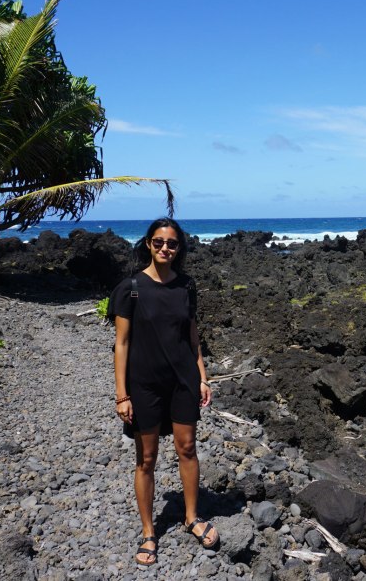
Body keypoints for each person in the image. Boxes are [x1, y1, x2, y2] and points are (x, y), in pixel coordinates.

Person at [109, 218, 219, 566]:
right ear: (147, 244)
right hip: (144, 385)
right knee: (146, 459)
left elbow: (192, 337)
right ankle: (148, 532)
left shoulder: (186, 286)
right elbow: (121, 344)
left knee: (187, 448)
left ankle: (191, 517)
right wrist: (121, 394)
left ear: (179, 248)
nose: (165, 249)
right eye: (158, 242)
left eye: (172, 243)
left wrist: (202, 376)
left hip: (183, 381)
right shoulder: (131, 288)